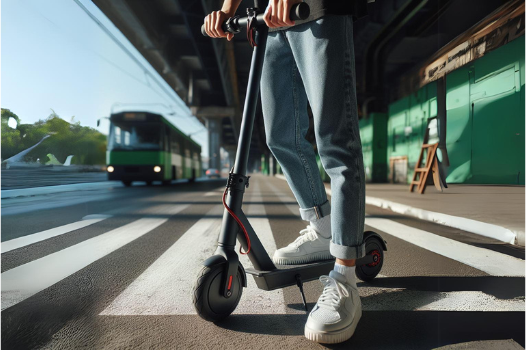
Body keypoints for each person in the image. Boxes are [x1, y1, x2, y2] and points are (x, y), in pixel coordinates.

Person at [204, 0, 366, 344]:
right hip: (270, 23)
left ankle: (345, 276)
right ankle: (324, 226)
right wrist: (227, 10)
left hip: (315, 9)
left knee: (334, 138)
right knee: (280, 136)